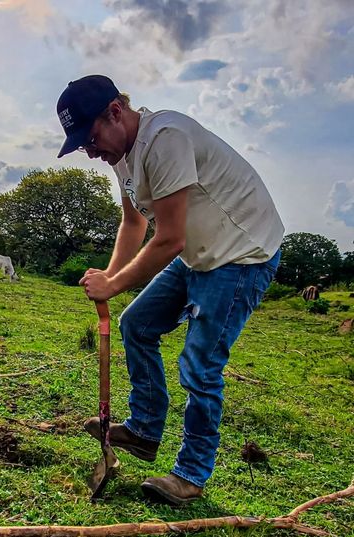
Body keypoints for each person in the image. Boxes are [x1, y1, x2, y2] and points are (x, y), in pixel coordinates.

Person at [56, 75, 284, 506]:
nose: (90, 152)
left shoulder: (166, 139)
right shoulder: (122, 155)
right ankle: (143, 429)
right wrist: (109, 278)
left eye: (90, 138)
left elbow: (170, 238)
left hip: (241, 254)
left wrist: (115, 282)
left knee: (200, 366)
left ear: (116, 113)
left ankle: (191, 475)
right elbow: (134, 223)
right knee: (136, 324)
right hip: (200, 251)